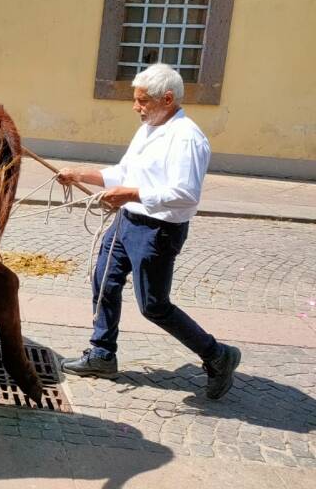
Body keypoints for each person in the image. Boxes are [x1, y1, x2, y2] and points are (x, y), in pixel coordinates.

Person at [57, 63, 240, 400]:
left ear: (166, 99)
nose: (135, 107)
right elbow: (124, 172)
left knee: (154, 305)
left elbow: (184, 194)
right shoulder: (149, 129)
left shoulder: (187, 139)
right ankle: (102, 354)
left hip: (159, 230)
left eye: (142, 101)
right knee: (104, 281)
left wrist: (130, 194)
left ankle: (218, 355)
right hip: (127, 221)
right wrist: (80, 174)